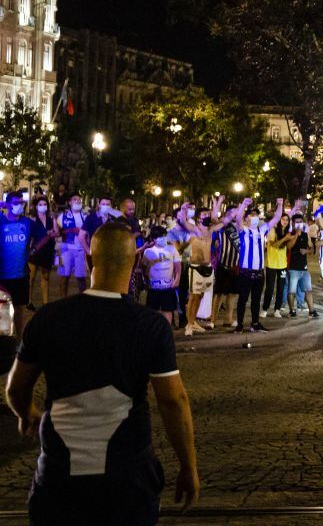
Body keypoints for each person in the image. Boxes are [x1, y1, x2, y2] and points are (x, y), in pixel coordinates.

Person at [5, 221, 199, 524]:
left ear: (90, 260)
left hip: (58, 481)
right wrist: (188, 467)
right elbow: (174, 401)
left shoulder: (47, 318)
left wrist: (27, 414)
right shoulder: (150, 326)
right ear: (135, 261)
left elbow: (16, 389)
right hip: (128, 482)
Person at [234, 197, 286, 333]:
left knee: (256, 300)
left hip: (258, 273)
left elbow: (276, 218)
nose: (255, 217)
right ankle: (239, 324)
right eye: (252, 215)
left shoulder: (262, 230)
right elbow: (238, 217)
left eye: (256, 215)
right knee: (243, 299)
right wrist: (243, 204)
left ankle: (255, 323)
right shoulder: (243, 230)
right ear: (247, 219)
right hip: (246, 272)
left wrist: (280, 204)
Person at [184, 200, 231, 336]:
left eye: (208, 214)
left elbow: (223, 222)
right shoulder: (193, 229)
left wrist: (222, 204)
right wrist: (183, 209)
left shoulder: (210, 229)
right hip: (195, 267)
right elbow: (182, 221)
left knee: (201, 296)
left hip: (208, 267)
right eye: (204, 214)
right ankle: (189, 324)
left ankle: (194, 323)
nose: (207, 216)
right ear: (198, 217)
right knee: (193, 296)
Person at [0, 191, 34, 337]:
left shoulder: (27, 223)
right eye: (16, 203)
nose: (20, 206)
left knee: (20, 309)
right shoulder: (1, 221)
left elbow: (46, 234)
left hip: (21, 274)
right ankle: (5, 339)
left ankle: (18, 339)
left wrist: (33, 250)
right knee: (3, 309)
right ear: (7, 204)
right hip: (3, 275)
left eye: (21, 203)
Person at [142, 226, 182, 325]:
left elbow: (178, 267)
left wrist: (177, 280)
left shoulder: (172, 249)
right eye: (159, 236)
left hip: (168, 286)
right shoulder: (148, 251)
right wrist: (146, 282)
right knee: (153, 310)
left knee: (168, 310)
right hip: (153, 286)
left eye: (164, 236)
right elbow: (143, 268)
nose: (163, 238)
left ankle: (167, 330)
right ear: (153, 238)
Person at [210, 206, 241, 329]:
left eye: (236, 212)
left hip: (236, 264)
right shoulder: (223, 224)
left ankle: (228, 319)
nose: (234, 215)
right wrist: (218, 203)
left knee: (232, 294)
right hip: (223, 262)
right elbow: (213, 219)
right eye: (232, 212)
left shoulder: (240, 225)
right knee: (218, 294)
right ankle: (213, 320)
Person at [285, 212, 317, 318]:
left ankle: (312, 311)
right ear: (293, 224)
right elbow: (289, 247)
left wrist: (306, 251)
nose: (299, 224)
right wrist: (296, 236)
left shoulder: (305, 234)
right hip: (293, 267)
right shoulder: (289, 234)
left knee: (308, 290)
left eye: (300, 222)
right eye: (296, 222)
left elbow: (311, 248)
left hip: (304, 267)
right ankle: (292, 311)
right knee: (292, 291)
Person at [28, 195, 58, 308]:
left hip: (47, 251)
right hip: (36, 251)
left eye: (44, 204)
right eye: (40, 204)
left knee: (45, 278)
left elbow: (57, 233)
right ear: (36, 206)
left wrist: (54, 220)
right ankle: (29, 301)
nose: (42, 206)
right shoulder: (32, 219)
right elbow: (29, 236)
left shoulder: (50, 219)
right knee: (31, 278)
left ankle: (45, 303)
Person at [57, 193, 87, 296]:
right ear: (70, 202)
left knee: (81, 277)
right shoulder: (62, 216)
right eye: (75, 199)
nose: (77, 201)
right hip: (66, 249)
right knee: (65, 276)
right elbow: (58, 232)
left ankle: (83, 300)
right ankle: (62, 301)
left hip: (81, 249)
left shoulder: (85, 216)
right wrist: (71, 230)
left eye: (79, 199)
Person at [260, 218, 290, 318]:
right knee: (270, 288)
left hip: (282, 265)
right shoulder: (272, 230)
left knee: (281, 288)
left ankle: (277, 309)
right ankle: (265, 309)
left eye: (287, 220)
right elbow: (275, 244)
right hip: (272, 264)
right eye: (283, 219)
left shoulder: (287, 231)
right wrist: (285, 239)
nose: (285, 221)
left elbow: (289, 246)